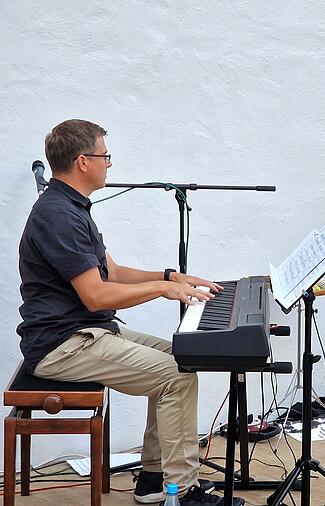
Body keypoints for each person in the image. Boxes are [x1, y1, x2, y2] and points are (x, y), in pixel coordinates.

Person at [17, 119, 244, 506]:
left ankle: (154, 477)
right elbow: (95, 296)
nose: (109, 163)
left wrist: (170, 275)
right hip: (62, 345)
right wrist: (161, 289)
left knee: (181, 357)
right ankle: (183, 492)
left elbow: (114, 273)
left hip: (86, 333)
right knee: (177, 377)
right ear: (82, 161)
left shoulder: (73, 208)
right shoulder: (57, 215)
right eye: (105, 155)